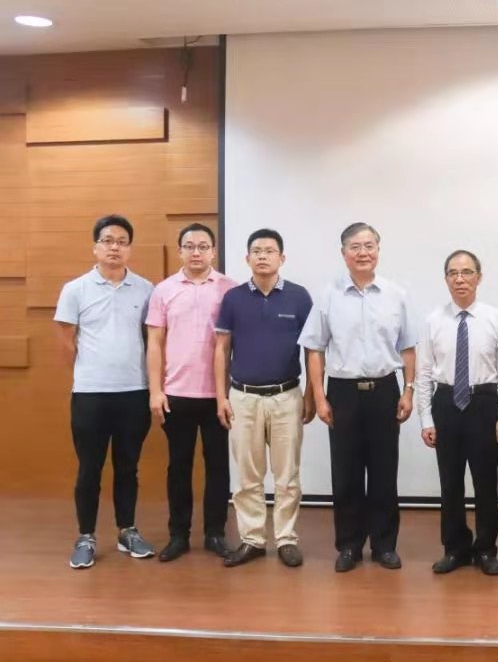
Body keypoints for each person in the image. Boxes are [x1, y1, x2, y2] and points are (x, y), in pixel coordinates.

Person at [299, 222, 417, 572]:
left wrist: (409, 390)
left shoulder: (396, 294)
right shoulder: (328, 295)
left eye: (369, 246)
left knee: (384, 471)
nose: (362, 252)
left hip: (385, 390)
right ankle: (349, 545)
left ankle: (384, 545)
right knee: (346, 472)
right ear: (344, 253)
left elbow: (408, 347)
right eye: (355, 246)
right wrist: (320, 397)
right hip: (344, 393)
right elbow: (315, 349)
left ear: (378, 250)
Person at [55, 214, 155, 568]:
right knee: (89, 469)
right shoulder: (75, 289)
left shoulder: (147, 289)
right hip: (90, 395)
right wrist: (90, 373)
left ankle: (127, 531)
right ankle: (85, 536)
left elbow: (153, 341)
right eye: (108, 241)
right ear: (95, 247)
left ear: (130, 249)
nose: (115, 247)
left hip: (134, 392)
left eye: (122, 242)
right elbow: (66, 341)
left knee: (128, 467)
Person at [215, 228, 315, 568]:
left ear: (281, 258)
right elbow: (221, 349)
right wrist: (221, 396)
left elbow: (313, 350)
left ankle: (286, 538)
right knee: (248, 475)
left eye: (269, 250)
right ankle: (253, 539)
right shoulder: (233, 298)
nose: (262, 256)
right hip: (243, 398)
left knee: (287, 475)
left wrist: (312, 393)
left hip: (286, 396)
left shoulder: (299, 297)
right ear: (247, 258)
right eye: (256, 251)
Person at [416, 250, 498, 576]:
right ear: (446, 279)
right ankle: (455, 548)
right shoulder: (433, 320)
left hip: (484, 402)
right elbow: (424, 372)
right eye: (453, 273)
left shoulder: (496, 318)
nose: (460, 279)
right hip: (446, 403)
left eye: (467, 272)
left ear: (479, 277)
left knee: (486, 482)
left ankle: (485, 549)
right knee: (450, 483)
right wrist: (426, 419)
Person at [147, 223, 237, 562]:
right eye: (189, 246)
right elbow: (154, 343)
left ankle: (215, 533)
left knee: (218, 467)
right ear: (180, 250)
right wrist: (156, 391)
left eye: (203, 246)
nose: (196, 252)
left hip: (218, 396)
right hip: (176, 394)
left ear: (213, 251)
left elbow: (235, 343)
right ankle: (178, 535)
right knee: (179, 467)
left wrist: (228, 393)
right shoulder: (164, 290)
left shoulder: (230, 289)